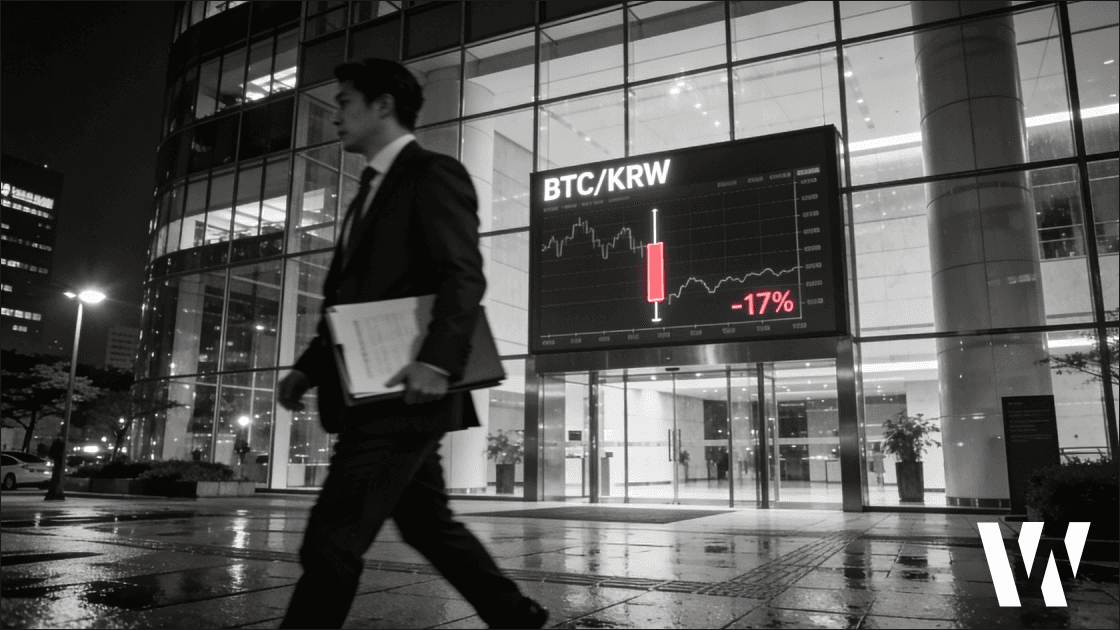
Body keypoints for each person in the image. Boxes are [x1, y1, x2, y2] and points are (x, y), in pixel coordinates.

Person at [276, 58, 548, 630]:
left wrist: (435, 361)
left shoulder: (432, 173)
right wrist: (307, 368)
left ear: (383, 105)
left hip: (405, 390)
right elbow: (354, 300)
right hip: (377, 390)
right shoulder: (367, 192)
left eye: (344, 102)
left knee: (331, 540)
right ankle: (514, 616)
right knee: (429, 526)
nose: (334, 119)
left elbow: (462, 276)